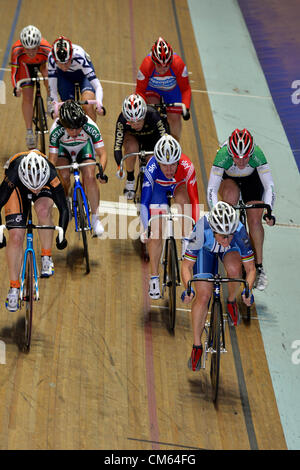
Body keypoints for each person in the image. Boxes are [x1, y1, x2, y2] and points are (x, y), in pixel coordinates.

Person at [181, 201, 256, 371]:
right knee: (203, 296)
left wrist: (248, 291)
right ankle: (197, 345)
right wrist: (188, 288)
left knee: (234, 268)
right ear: (213, 230)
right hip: (204, 251)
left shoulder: (239, 231)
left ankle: (230, 301)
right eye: (223, 236)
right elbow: (186, 266)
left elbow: (250, 269)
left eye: (230, 235)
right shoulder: (201, 229)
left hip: (230, 253)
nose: (227, 239)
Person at [207, 128, 276, 291]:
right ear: (230, 153)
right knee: (230, 200)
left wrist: (269, 211)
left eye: (245, 157)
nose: (241, 161)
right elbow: (211, 189)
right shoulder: (222, 155)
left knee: (254, 219)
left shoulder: (258, 154)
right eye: (237, 158)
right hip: (229, 180)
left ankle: (258, 267)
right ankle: (231, 245)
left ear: (251, 153)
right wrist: (218, 215)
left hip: (252, 181)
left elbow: (269, 186)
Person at [0, 150, 69, 312]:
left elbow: (64, 209)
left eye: (37, 188)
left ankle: (46, 255)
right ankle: (14, 287)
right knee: (16, 236)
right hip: (18, 188)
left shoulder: (51, 174)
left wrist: (62, 235)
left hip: (44, 183)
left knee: (44, 211)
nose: (35, 191)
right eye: (33, 188)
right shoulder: (13, 175)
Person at [140, 134, 200, 299]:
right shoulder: (151, 168)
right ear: (158, 161)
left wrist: (193, 229)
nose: (168, 169)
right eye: (164, 165)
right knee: (157, 232)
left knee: (183, 203)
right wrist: (146, 227)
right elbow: (144, 202)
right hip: (158, 191)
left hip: (178, 186)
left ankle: (185, 239)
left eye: (173, 164)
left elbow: (195, 200)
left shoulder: (187, 166)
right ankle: (154, 277)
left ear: (178, 161)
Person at [48, 100, 107, 237]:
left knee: (90, 177)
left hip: (83, 148)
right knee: (62, 176)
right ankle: (66, 203)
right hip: (64, 150)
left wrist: (101, 172)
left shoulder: (90, 125)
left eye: (77, 128)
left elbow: (102, 153)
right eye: (70, 128)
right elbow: (52, 159)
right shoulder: (55, 130)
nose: (74, 131)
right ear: (63, 125)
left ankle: (95, 218)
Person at [135, 37, 191, 141]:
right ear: (153, 61)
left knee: (174, 118)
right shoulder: (146, 65)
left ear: (171, 61)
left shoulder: (178, 64)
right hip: (152, 89)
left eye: (166, 66)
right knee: (152, 113)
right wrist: (142, 107)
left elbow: (185, 89)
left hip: (172, 91)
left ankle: (175, 145)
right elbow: (140, 90)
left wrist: (186, 107)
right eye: (159, 66)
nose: (163, 69)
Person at [114, 93, 168, 199]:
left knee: (151, 160)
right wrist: (120, 167)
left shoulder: (153, 115)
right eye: (131, 122)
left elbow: (165, 140)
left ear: (144, 114)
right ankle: (130, 179)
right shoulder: (122, 120)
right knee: (131, 149)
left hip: (152, 138)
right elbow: (117, 145)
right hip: (133, 138)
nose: (135, 125)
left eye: (139, 120)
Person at [11, 25, 52, 149]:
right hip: (25, 67)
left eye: (34, 49)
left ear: (39, 45)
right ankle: (29, 131)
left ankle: (50, 99)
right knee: (27, 97)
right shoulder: (16, 50)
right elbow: (14, 72)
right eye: (27, 49)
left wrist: (53, 89)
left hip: (43, 64)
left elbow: (55, 70)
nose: (31, 52)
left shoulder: (46, 48)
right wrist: (16, 87)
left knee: (47, 74)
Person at [47, 36, 104, 122]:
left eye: (66, 62)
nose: (64, 67)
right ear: (55, 59)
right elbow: (52, 89)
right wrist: (53, 108)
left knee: (87, 105)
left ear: (71, 56)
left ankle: (91, 134)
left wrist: (100, 104)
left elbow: (97, 86)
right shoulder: (51, 59)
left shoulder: (79, 56)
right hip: (65, 77)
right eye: (60, 64)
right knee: (67, 108)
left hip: (83, 75)